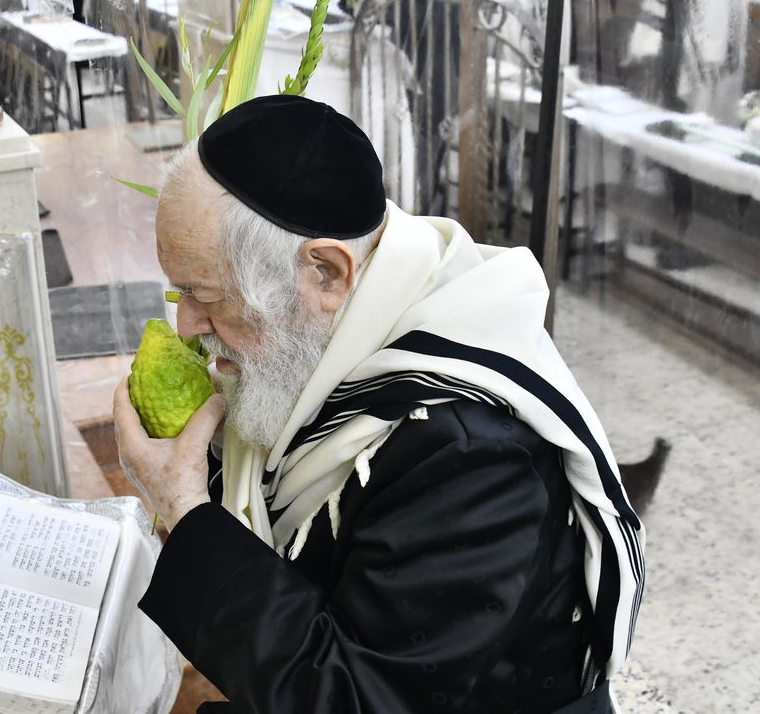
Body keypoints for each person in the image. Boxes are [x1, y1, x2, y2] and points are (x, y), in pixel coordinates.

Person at [113, 95, 644, 713]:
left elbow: (362, 697)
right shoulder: (337, 325)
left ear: (327, 273)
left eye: (206, 295)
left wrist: (183, 510)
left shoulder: (473, 456)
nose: (186, 327)